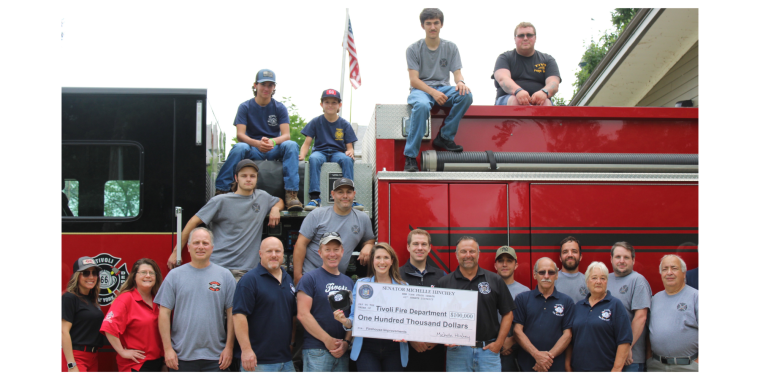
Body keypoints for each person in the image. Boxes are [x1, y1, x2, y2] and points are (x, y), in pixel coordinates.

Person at [167, 159, 284, 280]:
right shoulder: (220, 201)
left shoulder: (262, 197)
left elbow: (280, 201)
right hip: (219, 268)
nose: (248, 179)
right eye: (244, 176)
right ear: (236, 178)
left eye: (252, 176)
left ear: (256, 178)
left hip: (246, 271)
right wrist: (177, 252)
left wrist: (275, 208)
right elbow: (193, 222)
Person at [215, 68, 303, 211]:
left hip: (273, 147)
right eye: (263, 84)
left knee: (291, 145)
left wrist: (273, 142)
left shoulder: (280, 107)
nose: (266, 88)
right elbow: (240, 135)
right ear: (255, 85)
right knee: (239, 147)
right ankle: (222, 190)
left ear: (274, 87)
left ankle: (291, 195)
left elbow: (286, 135)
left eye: (270, 85)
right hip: (252, 148)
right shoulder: (245, 106)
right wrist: (256, 143)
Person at [155, 227, 236, 372]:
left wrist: (229, 348)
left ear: (212, 247)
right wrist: (168, 349)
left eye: (205, 243)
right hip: (181, 358)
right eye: (196, 242)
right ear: (188, 247)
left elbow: (232, 314)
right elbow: (164, 314)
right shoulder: (174, 276)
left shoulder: (225, 276)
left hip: (216, 359)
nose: (200, 247)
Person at [403, 8, 473, 172]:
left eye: (436, 23)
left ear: (441, 24)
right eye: (428, 23)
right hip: (420, 90)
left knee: (466, 95)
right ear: (423, 26)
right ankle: (411, 157)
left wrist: (461, 82)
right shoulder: (413, 49)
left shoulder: (451, 47)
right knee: (421, 106)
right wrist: (433, 93)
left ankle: (445, 137)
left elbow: (457, 73)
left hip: (443, 88)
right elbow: (414, 80)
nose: (432, 27)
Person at [436, 236, 516, 372]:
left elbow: (508, 313)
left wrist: (499, 343)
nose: (468, 255)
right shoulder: (444, 283)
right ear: (456, 255)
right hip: (457, 352)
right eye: (463, 251)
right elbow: (435, 316)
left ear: (478, 254)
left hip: (488, 352)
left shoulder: (495, 280)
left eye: (472, 251)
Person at [334, 243, 410, 371]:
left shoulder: (403, 287)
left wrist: (407, 333)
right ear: (372, 261)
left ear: (392, 261)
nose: (382, 262)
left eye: (386, 257)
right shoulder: (361, 284)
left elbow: (408, 320)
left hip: (394, 348)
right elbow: (353, 319)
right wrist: (344, 321)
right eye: (378, 257)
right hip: (367, 348)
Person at [233, 237, 297, 372]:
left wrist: (291, 343)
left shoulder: (288, 279)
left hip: (285, 360)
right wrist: (246, 350)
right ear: (260, 254)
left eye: (277, 251)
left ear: (283, 254)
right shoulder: (249, 280)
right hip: (257, 361)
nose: (274, 255)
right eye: (269, 251)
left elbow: (292, 315)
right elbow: (239, 316)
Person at [293, 178, 375, 284]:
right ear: (333, 194)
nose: (345, 196)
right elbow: (300, 244)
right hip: (311, 277)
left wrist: (368, 246)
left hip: (337, 280)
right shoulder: (317, 215)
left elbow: (369, 240)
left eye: (349, 192)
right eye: (340, 192)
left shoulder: (363, 219)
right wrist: (298, 277)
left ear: (354, 194)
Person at [296, 232, 354, 372]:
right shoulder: (309, 279)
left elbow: (353, 315)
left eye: (336, 249)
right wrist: (327, 340)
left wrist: (346, 342)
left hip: (341, 351)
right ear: (320, 253)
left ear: (342, 251)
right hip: (317, 350)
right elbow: (303, 315)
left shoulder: (349, 282)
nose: (332, 254)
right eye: (327, 250)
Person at [299, 89, 362, 211]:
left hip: (337, 152)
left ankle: (350, 197)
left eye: (334, 102)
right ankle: (315, 198)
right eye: (327, 102)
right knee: (314, 158)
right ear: (321, 104)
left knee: (347, 160)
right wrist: (302, 156)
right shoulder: (316, 121)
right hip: (320, 151)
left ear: (340, 105)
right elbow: (307, 143)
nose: (330, 105)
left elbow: (349, 147)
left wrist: (350, 152)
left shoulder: (344, 124)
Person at [100, 258, 164, 372]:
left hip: (157, 362)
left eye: (151, 273)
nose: (148, 276)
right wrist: (122, 352)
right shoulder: (125, 299)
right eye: (143, 272)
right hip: (136, 365)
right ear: (134, 276)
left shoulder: (158, 300)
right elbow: (108, 327)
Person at [566, 262, 632, 372]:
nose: (598, 281)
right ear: (587, 282)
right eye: (594, 278)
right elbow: (570, 339)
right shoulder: (578, 306)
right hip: (578, 370)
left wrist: (616, 369)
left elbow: (624, 341)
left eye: (603, 278)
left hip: (606, 370)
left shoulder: (615, 305)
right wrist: (568, 365)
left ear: (607, 282)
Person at [513, 257, 574, 372]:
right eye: (542, 272)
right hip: (527, 366)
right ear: (535, 275)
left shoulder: (567, 301)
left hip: (555, 367)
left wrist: (545, 360)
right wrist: (536, 355)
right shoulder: (522, 299)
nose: (546, 276)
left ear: (556, 275)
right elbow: (517, 331)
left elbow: (568, 335)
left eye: (551, 272)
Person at [399, 228, 446, 371]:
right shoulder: (396, 275)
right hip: (405, 349)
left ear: (430, 248)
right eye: (415, 244)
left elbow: (447, 310)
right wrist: (411, 339)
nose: (420, 248)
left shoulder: (441, 276)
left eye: (424, 244)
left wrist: (437, 340)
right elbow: (392, 312)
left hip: (435, 349)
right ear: (408, 247)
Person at [647, 255, 698, 372]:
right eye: (665, 269)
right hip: (656, 366)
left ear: (684, 273)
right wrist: (649, 358)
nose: (669, 272)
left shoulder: (696, 297)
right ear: (661, 274)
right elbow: (648, 334)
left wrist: (698, 363)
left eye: (674, 268)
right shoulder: (654, 299)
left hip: (688, 367)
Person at [606, 242, 651, 372]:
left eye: (626, 257)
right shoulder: (605, 279)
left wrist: (626, 348)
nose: (621, 261)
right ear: (611, 259)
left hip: (631, 359)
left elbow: (640, 318)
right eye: (618, 257)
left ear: (633, 260)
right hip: (608, 356)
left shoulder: (638, 281)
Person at [492, 22, 560, 106]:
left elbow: (554, 83)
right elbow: (503, 79)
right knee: (515, 100)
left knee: (546, 103)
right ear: (515, 39)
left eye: (529, 35)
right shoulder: (504, 58)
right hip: (508, 99)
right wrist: (518, 91)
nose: (525, 38)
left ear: (535, 38)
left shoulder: (548, 59)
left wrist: (544, 92)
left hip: (540, 101)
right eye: (521, 35)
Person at [62, 256, 107, 372]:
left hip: (93, 357)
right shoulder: (69, 297)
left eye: (94, 273)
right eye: (86, 273)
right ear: (77, 276)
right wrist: (71, 364)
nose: (91, 277)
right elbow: (63, 331)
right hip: (76, 357)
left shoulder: (92, 300)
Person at [493, 245, 529, 372]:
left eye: (509, 260)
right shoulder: (487, 290)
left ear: (516, 265)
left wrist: (512, 341)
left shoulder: (525, 292)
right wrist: (498, 342)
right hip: (489, 351)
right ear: (495, 265)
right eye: (500, 261)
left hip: (515, 353)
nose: (504, 264)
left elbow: (530, 324)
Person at [554, 236, 588, 303]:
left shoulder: (588, 282)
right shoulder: (552, 281)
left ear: (580, 257)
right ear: (560, 258)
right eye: (565, 252)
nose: (570, 255)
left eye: (574, 251)